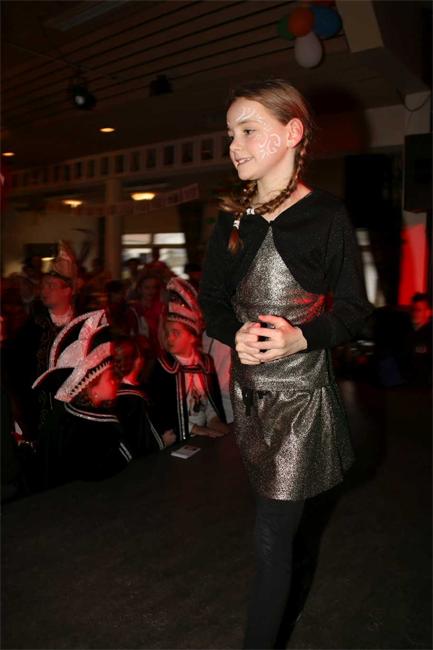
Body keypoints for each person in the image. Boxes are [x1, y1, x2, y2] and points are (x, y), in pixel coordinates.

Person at [199, 79, 373, 649]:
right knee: (275, 528)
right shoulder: (231, 219)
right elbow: (213, 301)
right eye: (230, 134)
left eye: (248, 130)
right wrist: (234, 333)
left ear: (292, 132)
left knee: (272, 536)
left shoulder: (326, 215)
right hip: (248, 396)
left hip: (300, 401)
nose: (234, 145)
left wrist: (302, 339)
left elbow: (355, 310)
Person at [32, 310, 132, 488]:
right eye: (110, 377)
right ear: (91, 387)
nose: (116, 380)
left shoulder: (70, 417)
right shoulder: (91, 428)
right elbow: (105, 472)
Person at [147, 277, 229, 444]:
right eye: (167, 332)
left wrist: (215, 422)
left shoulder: (205, 364)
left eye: (176, 333)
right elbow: (159, 412)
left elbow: (210, 405)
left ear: (192, 337)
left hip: (203, 437)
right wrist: (196, 429)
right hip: (177, 438)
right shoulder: (163, 367)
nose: (169, 338)